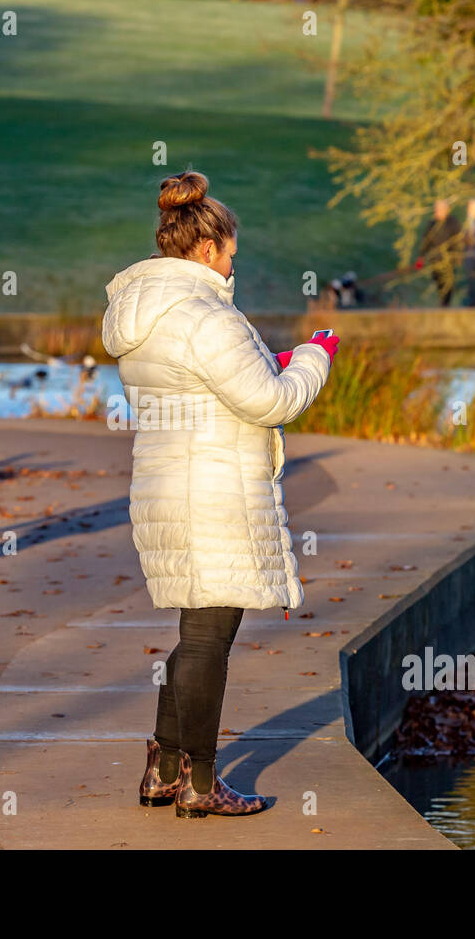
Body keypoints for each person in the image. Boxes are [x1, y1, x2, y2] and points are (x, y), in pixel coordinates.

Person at [102, 170, 338, 819]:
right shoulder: (206, 314)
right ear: (206, 250)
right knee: (209, 636)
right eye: (231, 252)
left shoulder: (140, 313)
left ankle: (165, 768)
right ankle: (201, 786)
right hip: (214, 490)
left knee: (193, 631)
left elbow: (205, 388)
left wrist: (272, 365)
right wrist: (315, 358)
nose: (234, 264)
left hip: (165, 485)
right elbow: (270, 401)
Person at [414, 199, 461, 307]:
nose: (437, 212)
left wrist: (458, 256)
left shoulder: (453, 223)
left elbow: (458, 241)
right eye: (436, 209)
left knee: (448, 283)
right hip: (435, 259)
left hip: (449, 259)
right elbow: (426, 241)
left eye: (439, 210)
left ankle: (446, 304)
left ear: (447, 210)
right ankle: (443, 302)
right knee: (438, 281)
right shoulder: (432, 223)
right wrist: (420, 257)